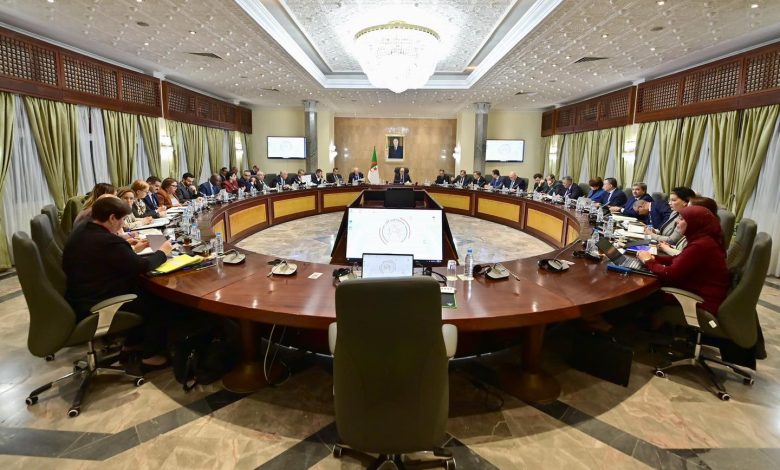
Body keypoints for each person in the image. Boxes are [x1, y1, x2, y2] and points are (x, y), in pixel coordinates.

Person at [63, 197, 174, 368]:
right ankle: (150, 356)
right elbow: (142, 266)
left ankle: (132, 345)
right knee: (160, 302)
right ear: (112, 218)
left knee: (144, 292)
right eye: (122, 219)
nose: (123, 223)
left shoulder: (84, 229)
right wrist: (162, 252)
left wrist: (129, 249)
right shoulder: (106, 241)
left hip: (82, 295)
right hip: (96, 302)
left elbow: (105, 258)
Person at [637, 205, 729, 315]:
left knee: (641, 297)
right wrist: (654, 257)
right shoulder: (703, 239)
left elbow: (670, 274)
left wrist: (649, 261)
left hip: (699, 301)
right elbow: (679, 259)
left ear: (694, 223)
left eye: (681, 219)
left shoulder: (700, 246)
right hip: (693, 291)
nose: (676, 221)